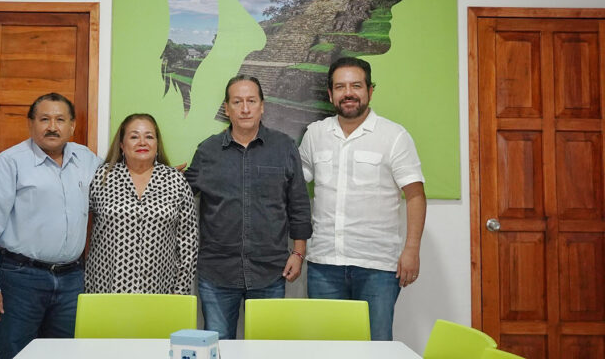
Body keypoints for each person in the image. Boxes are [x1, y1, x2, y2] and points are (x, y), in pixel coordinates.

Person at [299, 57, 426, 341]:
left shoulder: (394, 136)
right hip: (324, 265)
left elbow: (415, 195)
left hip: (377, 268)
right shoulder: (315, 135)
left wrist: (412, 250)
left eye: (356, 86)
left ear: (370, 90)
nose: (348, 93)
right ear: (330, 94)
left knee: (376, 348)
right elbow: (294, 185)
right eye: (340, 87)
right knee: (326, 349)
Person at [0, 93, 102, 359]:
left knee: (66, 354)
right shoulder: (10, 162)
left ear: (72, 126)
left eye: (60, 120)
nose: (52, 127)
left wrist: (160, 175)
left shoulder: (86, 159)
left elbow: (121, 179)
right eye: (44, 119)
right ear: (31, 124)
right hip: (21, 279)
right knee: (15, 353)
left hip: (72, 280)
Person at [185, 75, 312, 339]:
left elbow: (298, 204)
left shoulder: (284, 147)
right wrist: (157, 175)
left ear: (262, 106)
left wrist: (298, 253)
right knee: (218, 349)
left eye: (251, 101)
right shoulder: (207, 151)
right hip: (217, 272)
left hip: (270, 270)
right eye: (237, 102)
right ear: (227, 108)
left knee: (266, 350)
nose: (245, 108)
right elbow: (180, 195)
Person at [84, 113, 198, 294]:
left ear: (157, 144)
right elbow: (80, 224)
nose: (142, 142)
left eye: (149, 137)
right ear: (122, 145)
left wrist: (180, 291)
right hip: (107, 288)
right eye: (134, 137)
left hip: (160, 291)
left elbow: (188, 242)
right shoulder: (102, 177)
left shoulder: (175, 181)